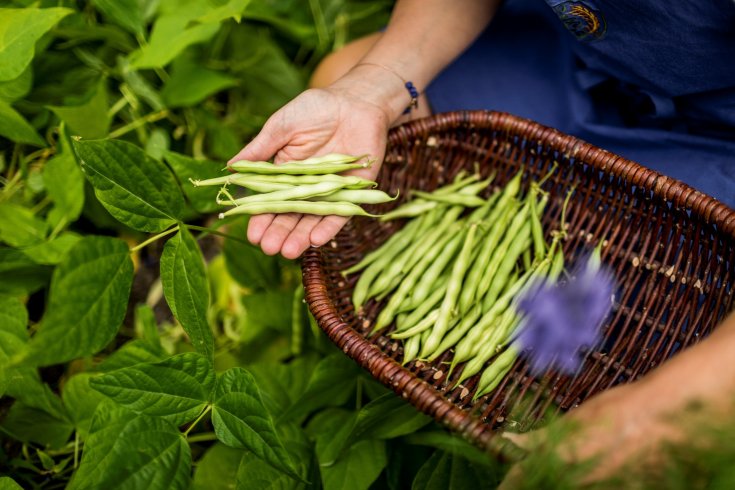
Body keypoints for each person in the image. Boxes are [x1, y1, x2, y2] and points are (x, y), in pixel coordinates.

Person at [229, 0, 735, 481]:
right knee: (342, 71)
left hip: (718, 133)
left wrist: (663, 412)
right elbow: (380, 79)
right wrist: (379, 85)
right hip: (576, 58)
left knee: (653, 325)